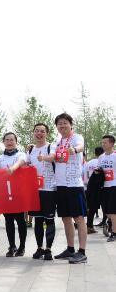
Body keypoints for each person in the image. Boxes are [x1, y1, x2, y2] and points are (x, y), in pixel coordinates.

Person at [45, 113, 88, 264]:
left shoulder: (77, 138)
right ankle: (70, 249)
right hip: (60, 184)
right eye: (59, 124)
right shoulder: (57, 141)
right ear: (57, 127)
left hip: (74, 185)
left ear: (71, 124)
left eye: (65, 123)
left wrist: (75, 150)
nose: (62, 126)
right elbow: (51, 155)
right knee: (65, 218)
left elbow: (81, 146)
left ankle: (82, 252)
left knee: (79, 218)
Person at [26, 123, 57, 260]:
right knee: (38, 221)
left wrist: (43, 157)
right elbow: (26, 164)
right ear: (33, 133)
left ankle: (48, 249)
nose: (39, 133)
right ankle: (39, 248)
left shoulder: (51, 146)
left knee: (49, 220)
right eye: (37, 131)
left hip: (49, 189)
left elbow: (53, 157)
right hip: (34, 190)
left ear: (47, 133)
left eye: (42, 131)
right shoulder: (30, 149)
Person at [0, 132, 28, 257]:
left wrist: (13, 168)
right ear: (3, 142)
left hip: (18, 193)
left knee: (20, 220)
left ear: (16, 142)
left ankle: (22, 246)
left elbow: (21, 162)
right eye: (7, 140)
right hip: (5, 193)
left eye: (12, 140)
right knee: (8, 221)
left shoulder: (21, 154)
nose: (9, 142)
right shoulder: (0, 159)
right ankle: (12, 246)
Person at [95, 135, 116, 242]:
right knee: (107, 211)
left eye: (105, 142)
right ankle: (110, 224)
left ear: (112, 144)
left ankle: (114, 233)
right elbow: (99, 170)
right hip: (104, 186)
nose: (103, 144)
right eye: (102, 142)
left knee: (112, 211)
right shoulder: (101, 157)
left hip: (114, 186)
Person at [86, 146, 105, 234]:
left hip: (90, 187)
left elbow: (85, 175)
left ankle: (89, 226)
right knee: (106, 207)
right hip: (103, 187)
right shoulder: (103, 162)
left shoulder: (89, 163)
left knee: (92, 208)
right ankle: (105, 223)